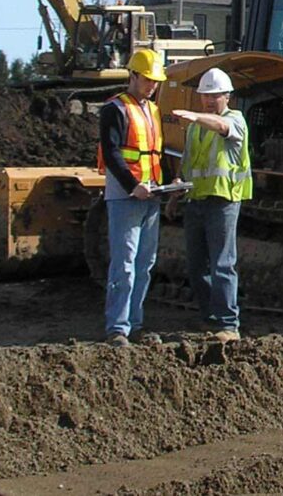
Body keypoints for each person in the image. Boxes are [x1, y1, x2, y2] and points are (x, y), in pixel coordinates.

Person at [172, 68, 252, 343]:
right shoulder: (195, 127)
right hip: (196, 200)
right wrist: (175, 190)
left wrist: (196, 116)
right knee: (197, 265)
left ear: (227, 96)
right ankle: (210, 318)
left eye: (214, 95)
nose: (208, 100)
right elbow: (189, 162)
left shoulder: (235, 120)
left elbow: (222, 128)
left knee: (222, 263)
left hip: (223, 201)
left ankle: (229, 324)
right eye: (205, 96)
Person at [97, 48, 167, 347]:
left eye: (155, 81)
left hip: (151, 195)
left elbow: (156, 152)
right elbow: (112, 153)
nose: (152, 85)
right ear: (133, 76)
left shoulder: (152, 110)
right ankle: (118, 328)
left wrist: (168, 182)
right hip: (126, 196)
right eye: (148, 80)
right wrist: (131, 185)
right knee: (124, 263)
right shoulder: (115, 109)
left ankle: (134, 324)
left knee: (143, 264)